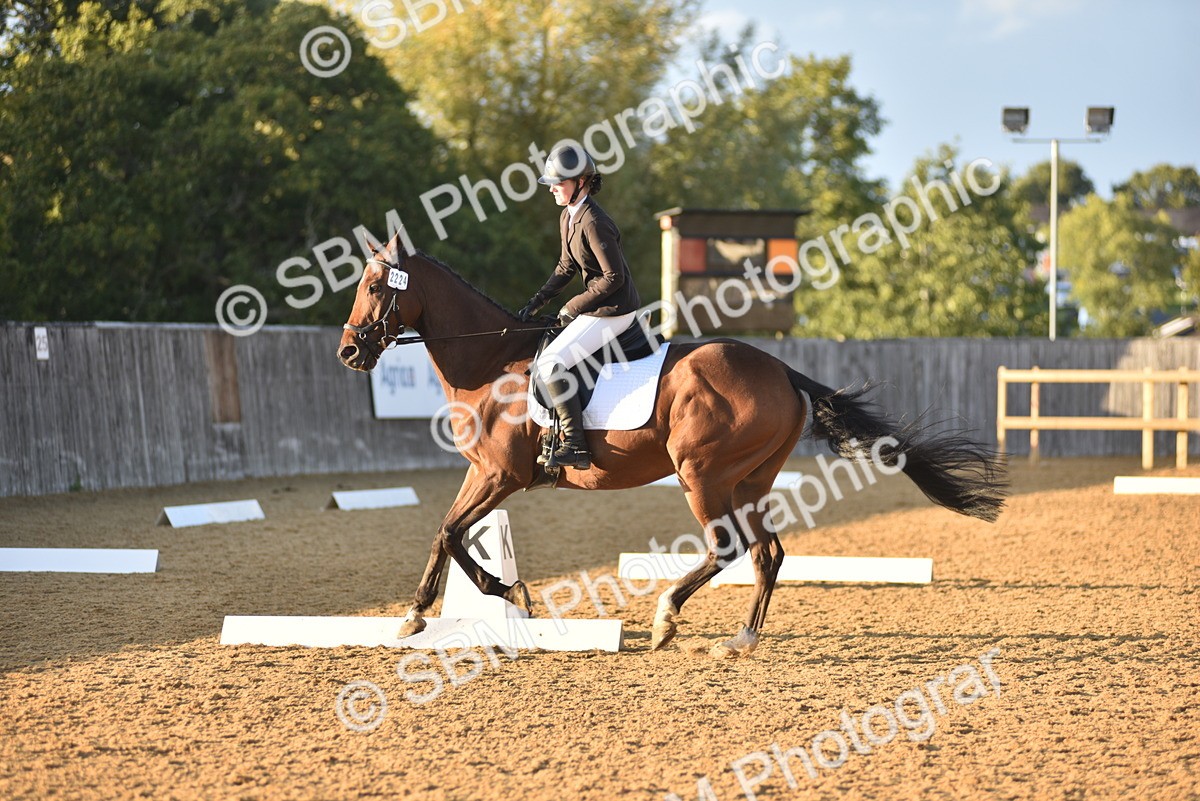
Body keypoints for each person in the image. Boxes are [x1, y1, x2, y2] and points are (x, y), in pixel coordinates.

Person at [516, 144, 641, 470]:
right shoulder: (568, 216)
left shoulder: (594, 222)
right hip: (597, 306)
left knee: (551, 363)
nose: (552, 188)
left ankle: (575, 445)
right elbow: (565, 266)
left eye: (558, 182)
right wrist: (538, 300)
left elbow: (614, 277)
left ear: (581, 182)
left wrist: (572, 306)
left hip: (615, 310)